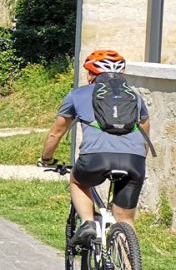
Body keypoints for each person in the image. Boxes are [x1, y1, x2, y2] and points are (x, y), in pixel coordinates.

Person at [39, 49, 151, 250]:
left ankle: (88, 223)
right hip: (134, 161)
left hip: (95, 159)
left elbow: (56, 133)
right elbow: (144, 128)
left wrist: (46, 158)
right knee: (125, 220)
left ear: (91, 75)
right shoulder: (135, 96)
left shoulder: (77, 95)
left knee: (77, 180)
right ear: (121, 74)